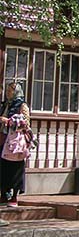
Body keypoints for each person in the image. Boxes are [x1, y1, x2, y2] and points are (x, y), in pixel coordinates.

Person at [1, 81, 30, 209]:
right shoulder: (5, 105)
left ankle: (14, 196)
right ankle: (4, 193)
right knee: (3, 168)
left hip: (15, 143)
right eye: (7, 91)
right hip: (3, 140)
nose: (7, 94)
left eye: (10, 91)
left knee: (16, 168)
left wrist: (8, 121)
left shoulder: (22, 106)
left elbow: (25, 124)